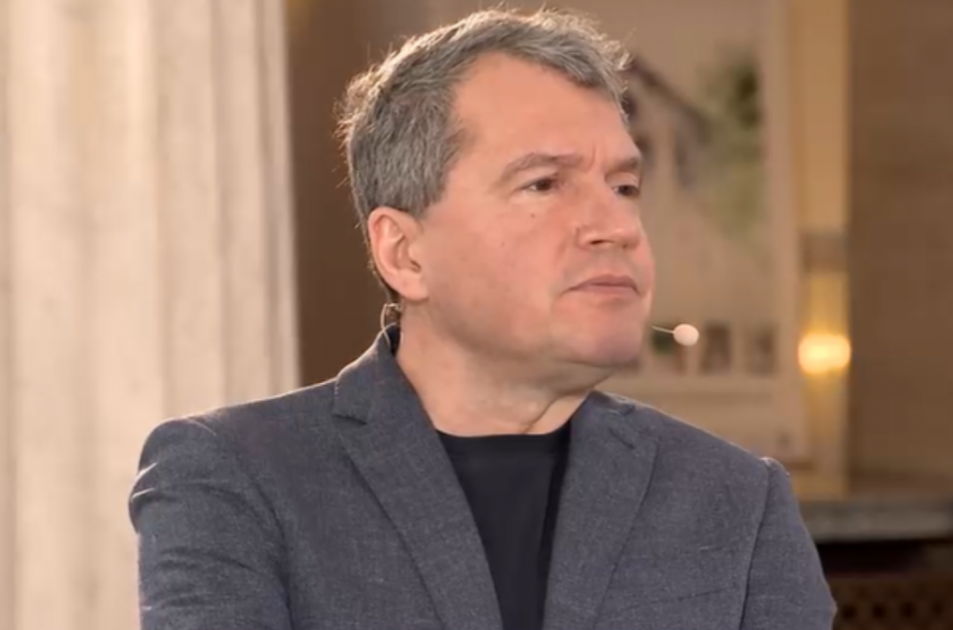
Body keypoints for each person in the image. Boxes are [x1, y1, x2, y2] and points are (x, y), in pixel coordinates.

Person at [129, 8, 835, 630]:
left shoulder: (738, 502)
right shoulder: (234, 477)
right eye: (543, 183)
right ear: (404, 253)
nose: (616, 225)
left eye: (624, 186)